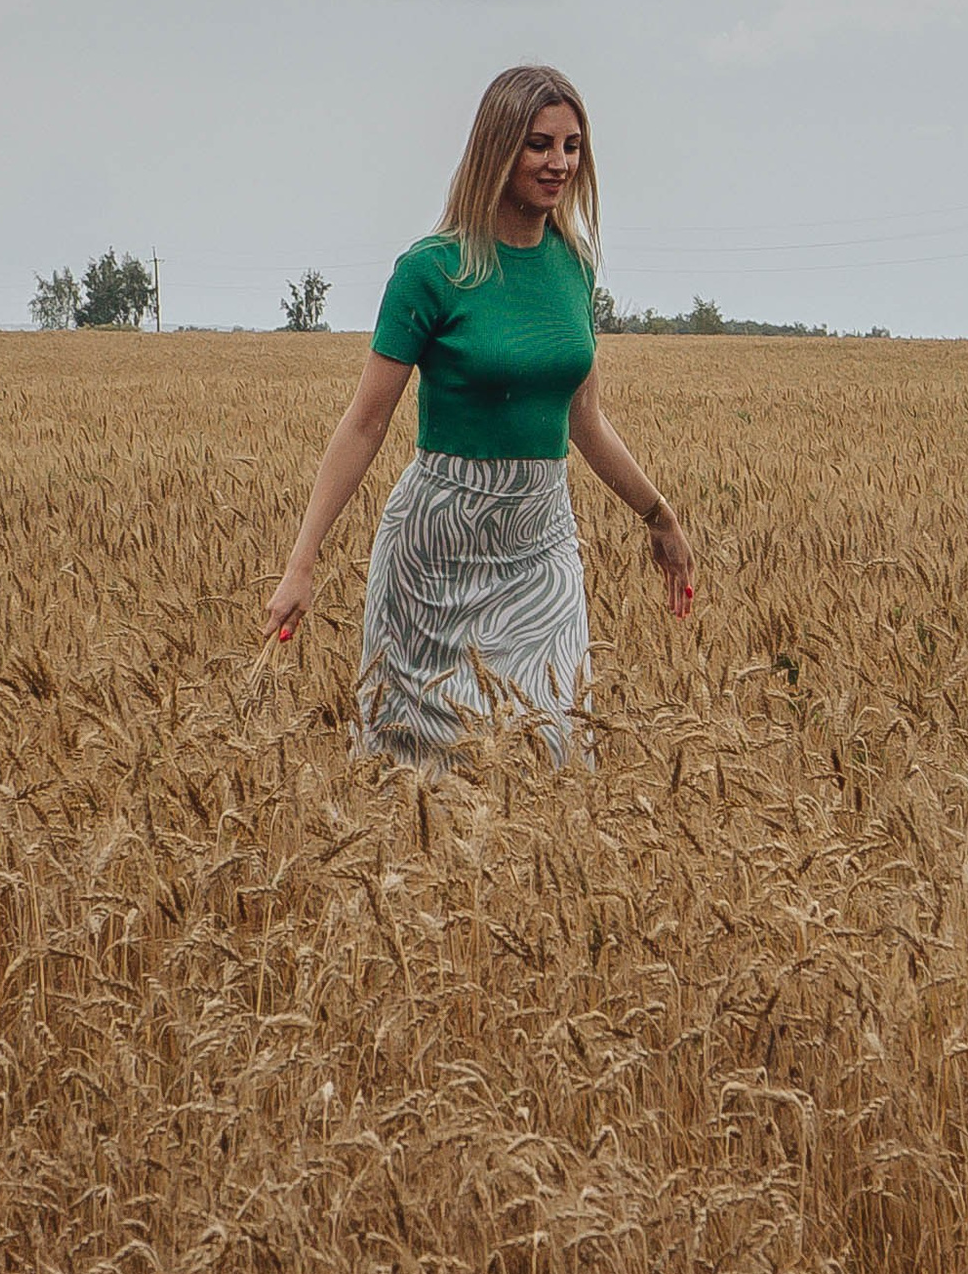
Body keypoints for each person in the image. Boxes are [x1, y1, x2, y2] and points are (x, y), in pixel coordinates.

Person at [263, 65, 697, 757]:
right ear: (497, 148)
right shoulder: (430, 271)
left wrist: (659, 514)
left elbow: (585, 418)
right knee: (423, 766)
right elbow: (365, 423)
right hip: (435, 551)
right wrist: (302, 562)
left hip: (540, 541)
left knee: (554, 745)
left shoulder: (575, 267)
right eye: (539, 145)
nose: (558, 164)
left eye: (572, 146)